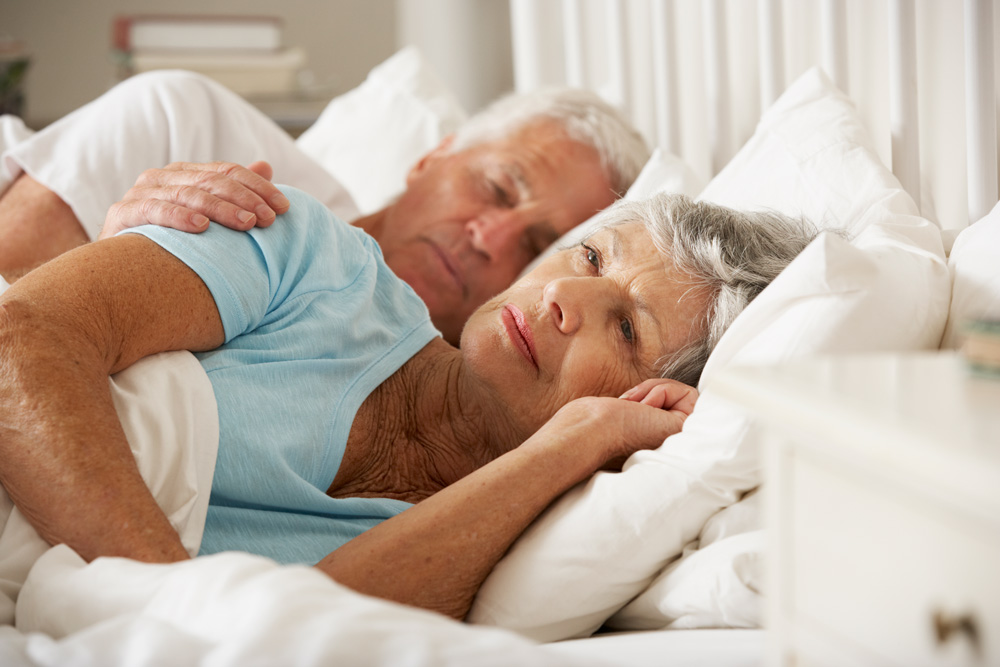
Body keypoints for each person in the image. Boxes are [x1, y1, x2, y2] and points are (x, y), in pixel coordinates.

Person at [0, 186, 816, 620]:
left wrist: (570, 446)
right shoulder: (314, 258)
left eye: (628, 328)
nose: (565, 295)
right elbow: (20, 335)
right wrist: (161, 606)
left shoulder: (488, 547)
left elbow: (312, 625)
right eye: (589, 254)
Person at [0, 70, 650, 344]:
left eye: (537, 247)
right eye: (498, 188)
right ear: (432, 157)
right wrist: (120, 262)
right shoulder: (185, 128)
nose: (490, 236)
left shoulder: (428, 414)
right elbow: (15, 321)